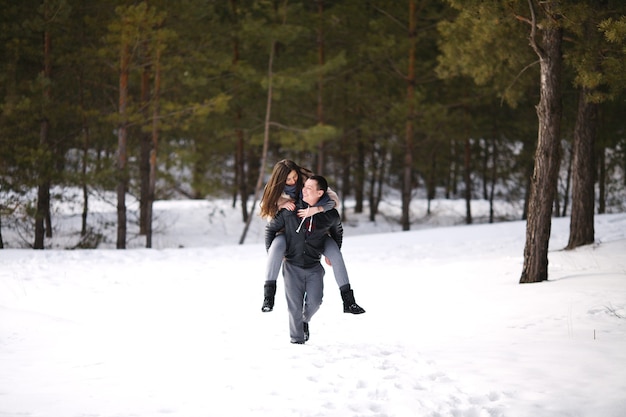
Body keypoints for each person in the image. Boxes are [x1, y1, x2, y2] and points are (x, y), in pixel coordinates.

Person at [259, 159, 365, 315]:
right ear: (280, 179)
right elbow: (266, 210)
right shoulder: (273, 188)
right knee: (275, 249)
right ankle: (269, 297)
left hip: (315, 230)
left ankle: (349, 301)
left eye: (294, 177)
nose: (293, 181)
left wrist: (316, 209)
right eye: (288, 179)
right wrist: (281, 204)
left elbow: (333, 200)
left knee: (336, 254)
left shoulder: (308, 181)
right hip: (287, 230)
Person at [265, 175, 350, 344]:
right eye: (304, 186)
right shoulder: (290, 209)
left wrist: (333, 252)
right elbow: (270, 228)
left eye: (308, 188)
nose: (302, 188)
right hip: (291, 265)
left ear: (319, 192)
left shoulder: (328, 214)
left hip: (313, 266)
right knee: (294, 307)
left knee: (315, 302)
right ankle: (297, 341)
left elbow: (337, 230)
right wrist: (273, 254)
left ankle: (304, 320)